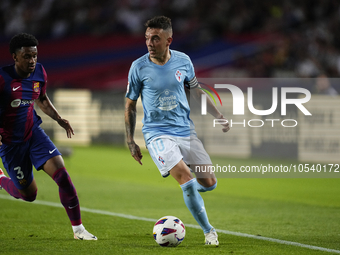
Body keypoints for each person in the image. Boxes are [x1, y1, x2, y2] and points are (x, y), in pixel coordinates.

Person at [125, 16, 229, 246]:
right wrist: (131, 140)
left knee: (210, 182)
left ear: (169, 40)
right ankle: (209, 231)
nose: (150, 43)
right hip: (157, 133)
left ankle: (190, 195)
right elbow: (130, 104)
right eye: (147, 38)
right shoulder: (138, 67)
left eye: (155, 38)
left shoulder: (183, 61)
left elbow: (196, 91)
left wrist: (219, 116)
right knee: (187, 179)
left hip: (186, 131)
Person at [0, 33, 97, 241]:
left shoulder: (40, 72)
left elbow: (42, 99)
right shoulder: (3, 79)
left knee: (62, 176)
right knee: (29, 195)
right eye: (26, 56)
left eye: (34, 55)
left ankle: (79, 230)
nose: (32, 60)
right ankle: (1, 178)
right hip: (10, 144)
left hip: (33, 133)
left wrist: (59, 118)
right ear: (15, 57)